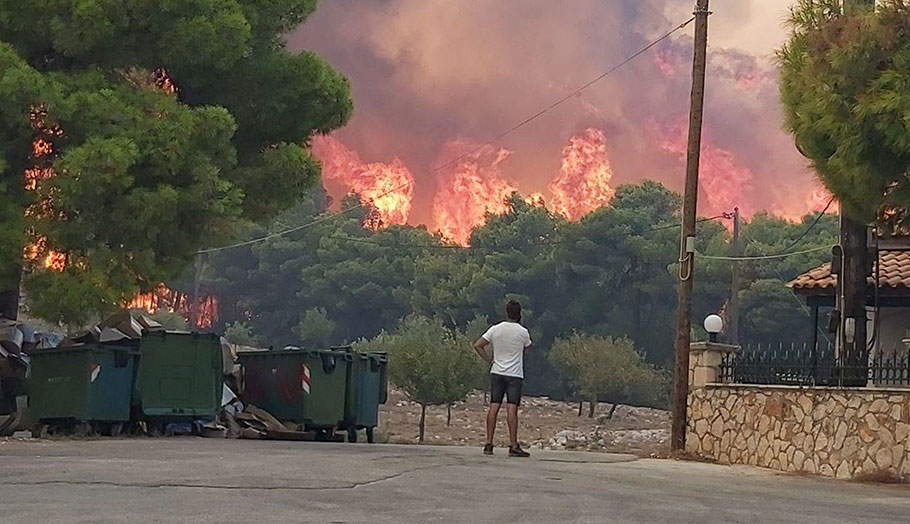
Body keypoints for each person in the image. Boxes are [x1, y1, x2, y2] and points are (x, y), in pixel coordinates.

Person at [473, 300, 532, 457]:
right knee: (511, 409)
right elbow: (528, 346)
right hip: (514, 374)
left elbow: (478, 345)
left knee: (494, 406)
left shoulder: (495, 329)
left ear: (506, 312)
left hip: (497, 371)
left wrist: (489, 359)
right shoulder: (522, 332)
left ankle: (488, 443)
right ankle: (513, 445)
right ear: (519, 313)